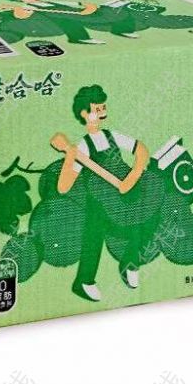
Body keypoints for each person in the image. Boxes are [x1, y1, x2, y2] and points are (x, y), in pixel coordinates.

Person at [57, 85, 152, 301]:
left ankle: (130, 263)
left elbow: (141, 149)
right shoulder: (82, 147)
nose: (101, 112)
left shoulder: (111, 136)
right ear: (84, 113)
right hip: (99, 200)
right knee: (94, 233)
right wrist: (70, 154)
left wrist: (133, 175)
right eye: (96, 108)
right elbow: (63, 187)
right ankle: (84, 281)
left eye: (103, 107)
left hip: (123, 195)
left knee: (147, 215)